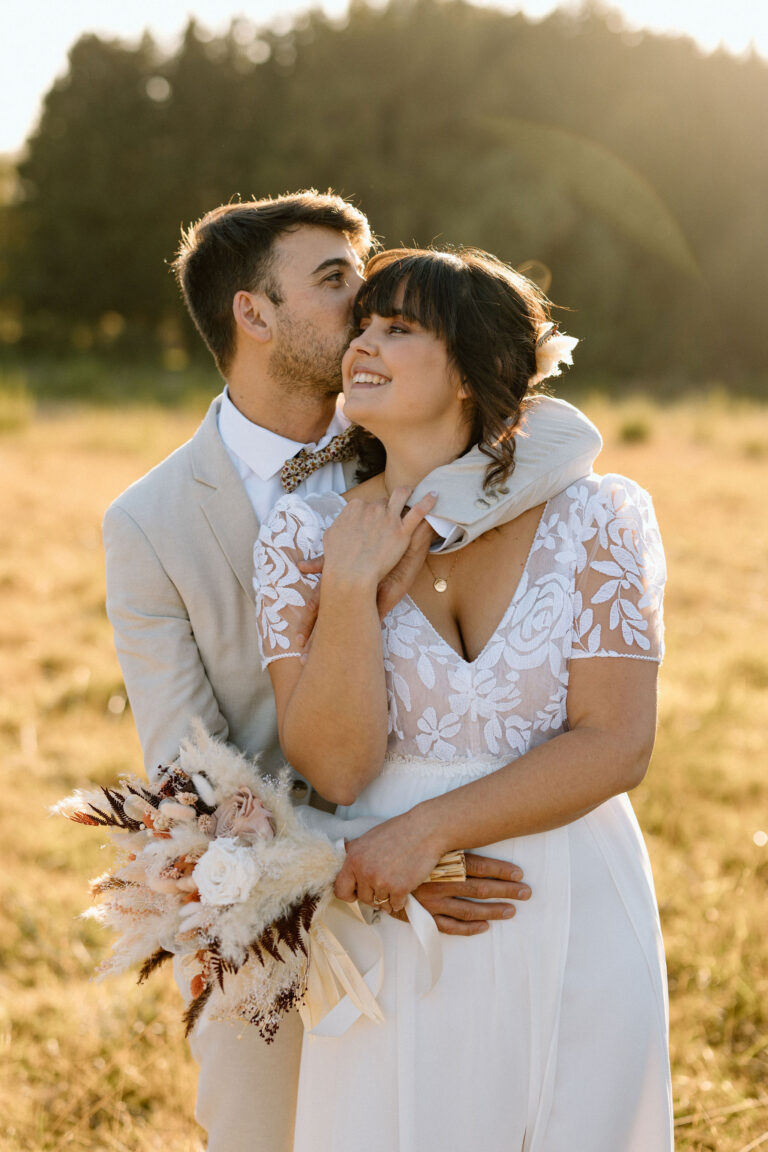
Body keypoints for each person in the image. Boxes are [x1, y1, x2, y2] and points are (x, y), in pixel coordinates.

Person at [103, 193, 602, 1152]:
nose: (367, 296)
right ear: (254, 314)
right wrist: (364, 864)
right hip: (281, 905)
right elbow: (190, 772)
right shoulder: (149, 524)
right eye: (337, 281)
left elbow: (566, 439)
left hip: (469, 875)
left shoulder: (413, 436)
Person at [253, 246, 673, 1151]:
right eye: (361, 324)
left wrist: (428, 829)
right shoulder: (305, 533)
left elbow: (616, 744)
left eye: (398, 328)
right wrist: (351, 596)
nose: (362, 344)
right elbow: (337, 764)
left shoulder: (597, 517)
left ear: (470, 374)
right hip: (405, 916)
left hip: (574, 894)